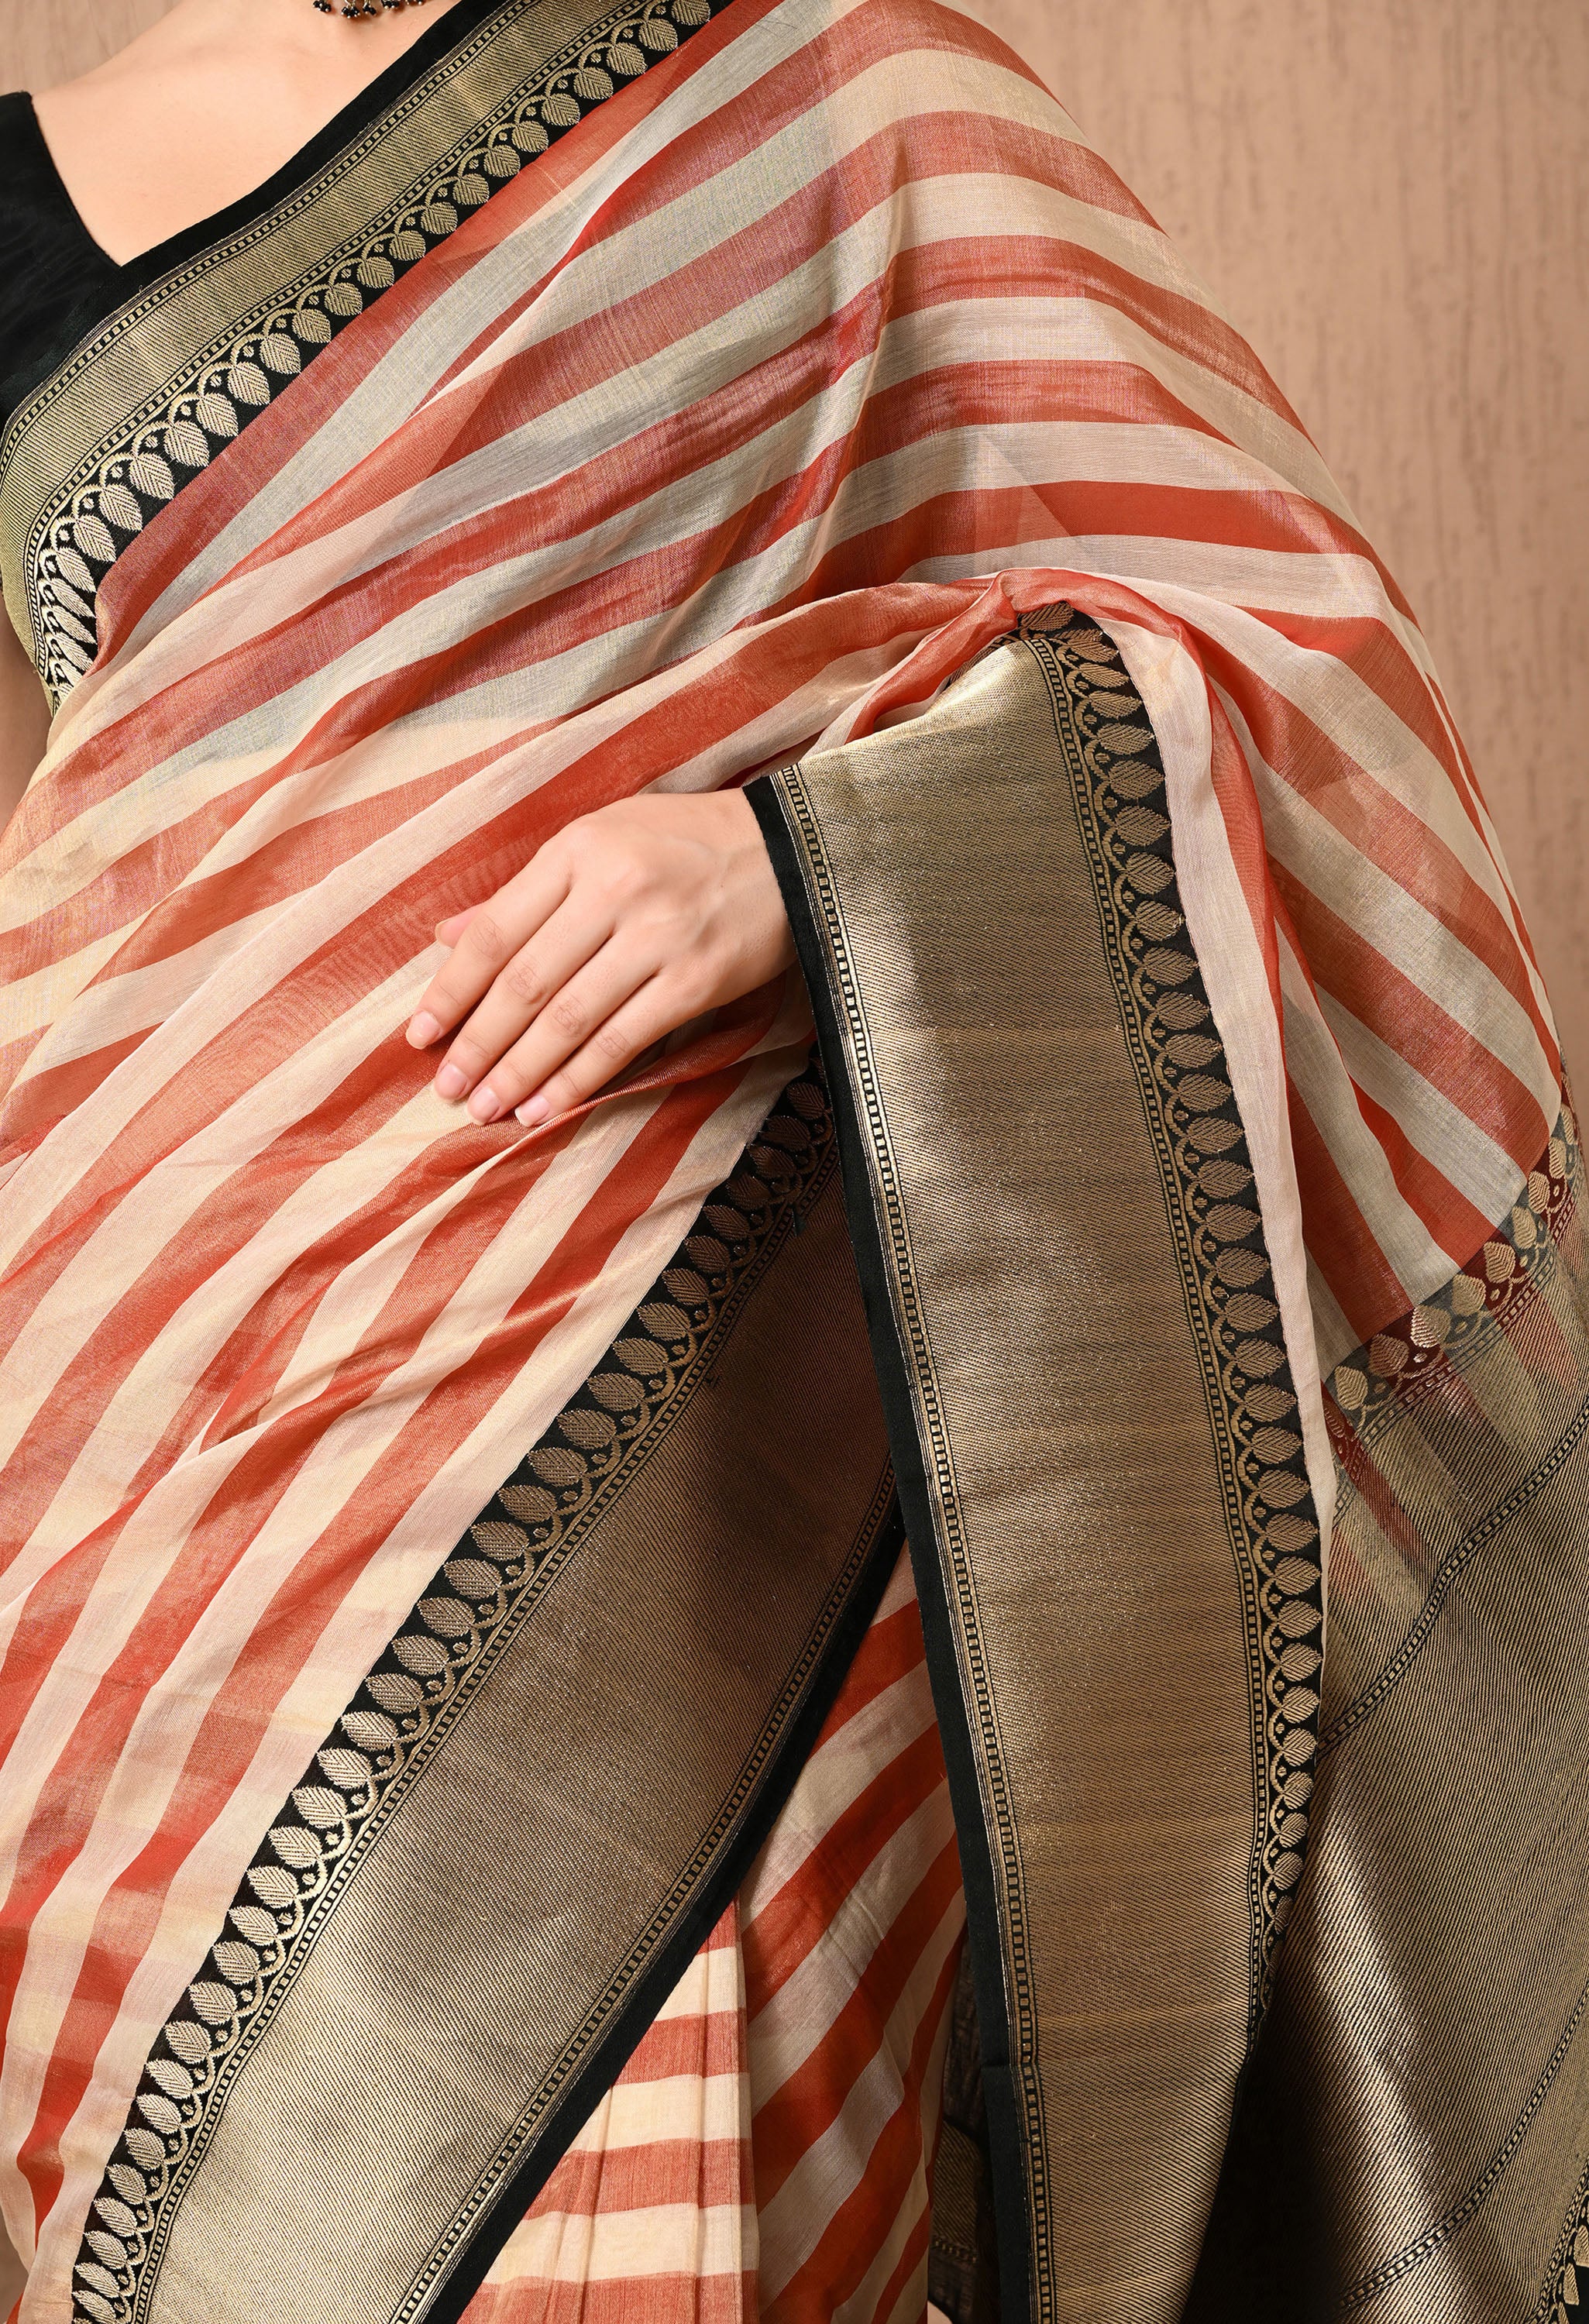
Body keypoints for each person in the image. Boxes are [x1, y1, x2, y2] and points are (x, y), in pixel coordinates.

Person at [1, 2, 1584, 2320]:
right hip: (119, 1455)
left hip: (681, 1402)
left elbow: (1275, 652)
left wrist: (806, 859)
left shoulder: (810, 75)